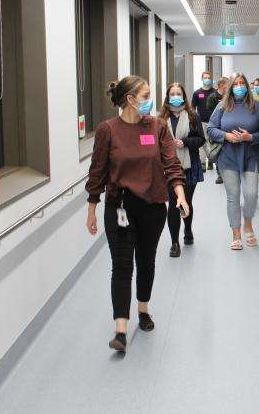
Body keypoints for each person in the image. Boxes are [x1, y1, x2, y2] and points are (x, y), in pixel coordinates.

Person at [86, 76, 189, 353]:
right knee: (121, 266)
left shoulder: (157, 127)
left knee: (146, 261)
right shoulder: (108, 130)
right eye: (145, 96)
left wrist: (179, 192)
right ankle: (120, 328)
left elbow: (171, 162)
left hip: (153, 206)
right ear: (130, 100)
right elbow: (97, 172)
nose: (149, 101)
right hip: (120, 207)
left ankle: (143, 309)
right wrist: (92, 208)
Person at [207, 73, 259, 250]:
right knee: (233, 196)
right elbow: (211, 129)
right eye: (236, 84)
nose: (240, 86)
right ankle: (236, 233)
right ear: (231, 87)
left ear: (247, 87)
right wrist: (226, 136)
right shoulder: (222, 106)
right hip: (227, 157)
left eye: (243, 83)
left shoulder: (256, 106)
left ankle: (248, 223)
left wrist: (250, 137)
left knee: (251, 195)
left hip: (250, 156)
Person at [160, 83, 205, 258]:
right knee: (173, 204)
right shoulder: (161, 118)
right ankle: (174, 242)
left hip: (189, 166)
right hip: (169, 168)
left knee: (186, 201)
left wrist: (185, 142)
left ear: (184, 96)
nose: (176, 96)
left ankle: (187, 229)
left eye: (179, 93)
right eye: (172, 94)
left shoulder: (193, 116)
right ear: (167, 97)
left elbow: (201, 139)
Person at [192, 71, 217, 171]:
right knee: (202, 142)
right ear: (202, 79)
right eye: (205, 77)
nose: (207, 79)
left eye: (209, 77)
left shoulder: (215, 92)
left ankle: (211, 161)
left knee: (212, 142)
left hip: (214, 123)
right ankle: (202, 163)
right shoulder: (197, 93)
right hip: (201, 122)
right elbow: (192, 108)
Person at [207, 77, 229, 184]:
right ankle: (220, 174)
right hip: (217, 129)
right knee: (218, 151)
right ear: (221, 85)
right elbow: (210, 111)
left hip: (228, 129)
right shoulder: (212, 96)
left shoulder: (230, 98)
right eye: (227, 85)